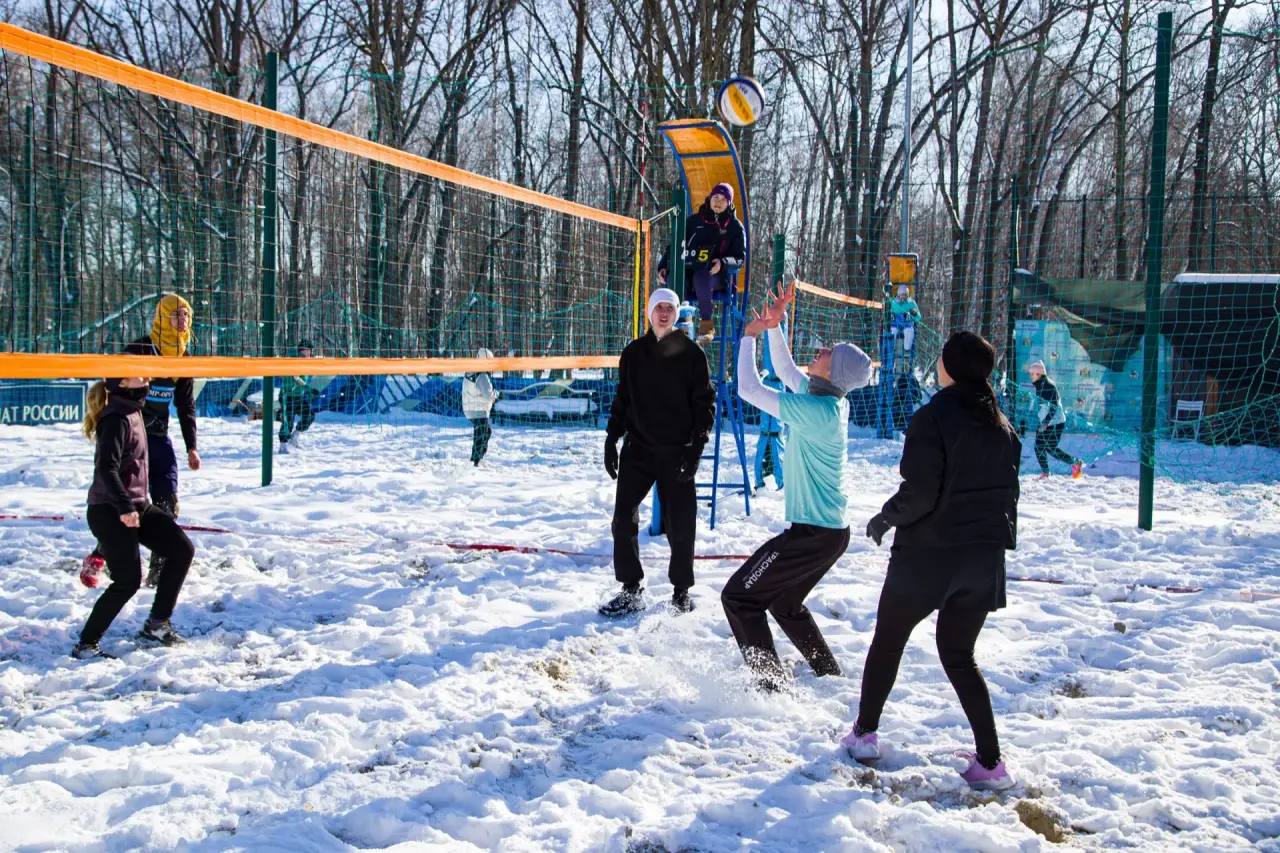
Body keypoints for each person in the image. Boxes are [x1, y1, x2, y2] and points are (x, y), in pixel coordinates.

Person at [843, 331, 1021, 791]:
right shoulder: (1002, 425)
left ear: (951, 367)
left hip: (929, 556)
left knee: (888, 641)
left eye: (942, 357)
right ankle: (991, 763)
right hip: (983, 560)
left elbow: (920, 493)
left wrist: (886, 517)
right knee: (960, 655)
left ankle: (864, 735)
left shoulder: (933, 417)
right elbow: (1009, 497)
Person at [726, 282, 872, 689]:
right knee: (785, 604)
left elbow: (748, 389)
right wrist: (775, 324)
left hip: (814, 535)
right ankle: (829, 675)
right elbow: (787, 372)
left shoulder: (818, 411)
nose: (821, 350)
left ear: (834, 372)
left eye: (829, 353)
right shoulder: (829, 400)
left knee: (739, 598)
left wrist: (749, 336)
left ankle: (771, 687)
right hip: (829, 533)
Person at [601, 287, 715, 617]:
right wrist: (612, 437)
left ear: (676, 313)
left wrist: (696, 448)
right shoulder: (634, 353)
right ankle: (630, 588)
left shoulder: (692, 354)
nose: (664, 313)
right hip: (638, 449)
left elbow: (704, 404)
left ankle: (681, 592)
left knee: (681, 524)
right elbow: (623, 399)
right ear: (649, 312)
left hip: (677, 452)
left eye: (669, 308)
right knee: (623, 518)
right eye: (658, 307)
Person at [80, 294, 200, 589]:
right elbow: (113, 385)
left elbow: (186, 406)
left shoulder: (183, 358)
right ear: (162, 318)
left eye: (186, 314)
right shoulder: (140, 350)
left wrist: (192, 447)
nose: (182, 320)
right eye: (176, 314)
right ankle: (102, 556)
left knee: (167, 505)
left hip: (158, 439)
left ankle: (159, 572)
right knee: (127, 506)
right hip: (131, 442)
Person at [72, 377, 195, 659]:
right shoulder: (115, 418)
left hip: (138, 505)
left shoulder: (134, 409)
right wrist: (125, 507)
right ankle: (86, 645)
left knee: (181, 550)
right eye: (140, 374)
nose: (148, 377)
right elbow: (106, 468)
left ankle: (157, 624)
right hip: (110, 509)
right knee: (128, 581)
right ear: (124, 382)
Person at [657, 183, 746, 340]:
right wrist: (663, 265)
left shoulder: (734, 226)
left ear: (729, 203)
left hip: (715, 275)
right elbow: (675, 245)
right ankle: (678, 323)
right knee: (676, 279)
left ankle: (706, 325)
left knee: (701, 277)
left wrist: (722, 263)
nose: (718, 202)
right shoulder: (694, 221)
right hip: (688, 269)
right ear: (710, 198)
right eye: (715, 197)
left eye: (724, 199)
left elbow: (740, 258)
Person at [1027, 360, 1081, 479]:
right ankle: (1046, 472)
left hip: (1056, 422)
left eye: (1032, 374)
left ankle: (1075, 462)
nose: (1031, 376)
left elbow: (1054, 406)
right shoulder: (1040, 385)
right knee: (1041, 447)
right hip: (1047, 422)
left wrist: (1045, 422)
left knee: (1048, 448)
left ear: (1038, 374)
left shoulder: (1049, 386)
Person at [279, 338, 320, 452]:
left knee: (309, 416)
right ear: (300, 351)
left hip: (299, 396)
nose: (307, 353)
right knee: (288, 423)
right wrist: (309, 389)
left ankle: (295, 437)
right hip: (287, 396)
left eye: (309, 351)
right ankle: (283, 446)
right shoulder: (294, 360)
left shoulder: (307, 361)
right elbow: (296, 378)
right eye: (304, 351)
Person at [462, 347, 499, 466]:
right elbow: (488, 395)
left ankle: (477, 459)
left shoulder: (471, 370)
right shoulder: (482, 375)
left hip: (470, 408)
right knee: (482, 433)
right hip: (478, 410)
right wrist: (497, 395)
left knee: (485, 432)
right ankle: (475, 461)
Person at [889, 285, 922, 355]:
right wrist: (891, 315)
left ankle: (907, 350)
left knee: (909, 331)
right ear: (898, 295)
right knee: (892, 331)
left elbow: (918, 317)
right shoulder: (893, 302)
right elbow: (887, 312)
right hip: (895, 324)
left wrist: (914, 313)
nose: (903, 297)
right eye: (901, 295)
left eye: (905, 295)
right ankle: (891, 351)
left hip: (907, 324)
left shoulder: (911, 303)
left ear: (907, 295)